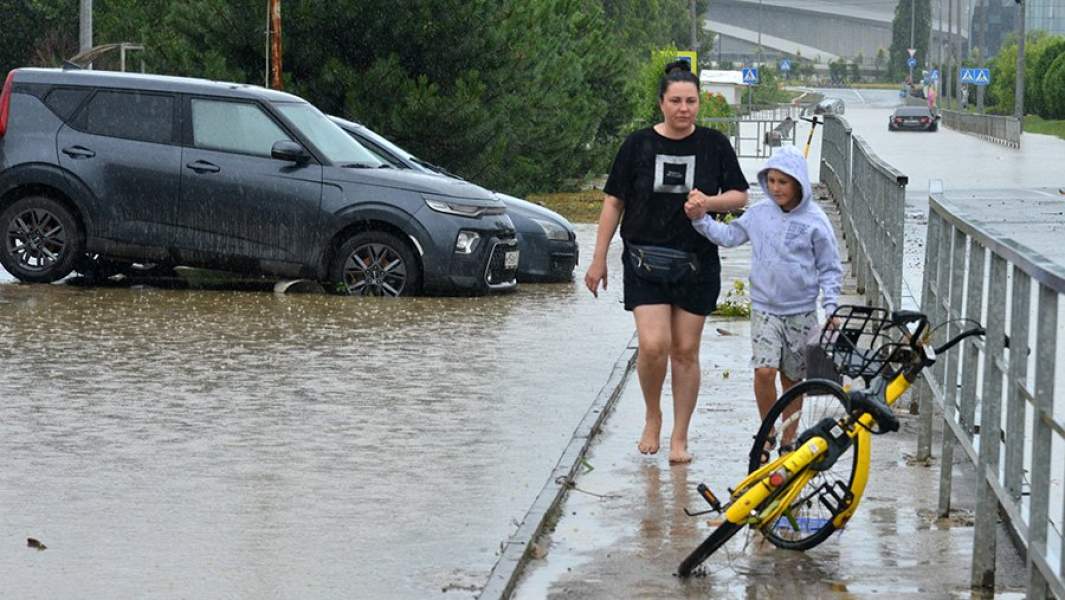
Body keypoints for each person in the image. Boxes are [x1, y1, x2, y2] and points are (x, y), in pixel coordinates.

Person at [584, 60, 749, 464]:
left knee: (686, 351)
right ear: (661, 103)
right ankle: (653, 415)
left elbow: (740, 195)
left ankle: (680, 436)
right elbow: (613, 202)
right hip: (645, 260)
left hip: (697, 263)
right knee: (654, 345)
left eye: (691, 101)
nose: (683, 108)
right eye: (675, 100)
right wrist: (599, 257)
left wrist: (709, 203)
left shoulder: (714, 145)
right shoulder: (637, 145)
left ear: (698, 103)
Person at [684, 145, 842, 462]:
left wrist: (832, 307)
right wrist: (700, 220)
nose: (776, 188)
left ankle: (788, 440)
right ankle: (768, 430)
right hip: (765, 309)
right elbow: (728, 236)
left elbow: (829, 267)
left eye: (783, 182)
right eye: (771, 181)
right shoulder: (759, 214)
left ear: (798, 183)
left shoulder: (815, 221)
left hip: (801, 311)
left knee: (793, 380)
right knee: (765, 372)